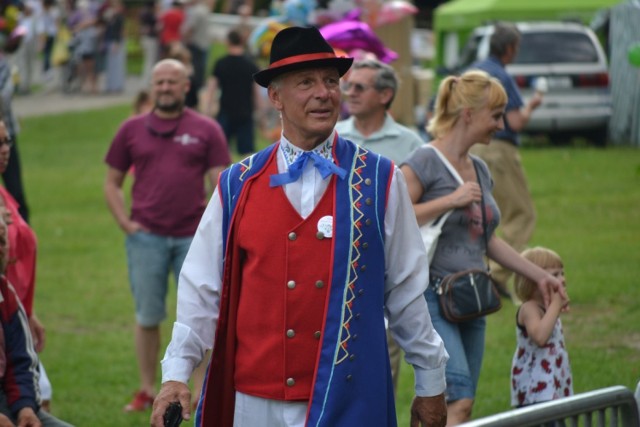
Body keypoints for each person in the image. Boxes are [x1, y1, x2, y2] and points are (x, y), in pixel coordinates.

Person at [150, 26, 449, 427]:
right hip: (253, 401)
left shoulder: (380, 180)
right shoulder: (237, 185)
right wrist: (175, 374)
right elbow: (200, 291)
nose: (324, 93)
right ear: (275, 97)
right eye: (306, 82)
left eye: (330, 81)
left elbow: (407, 291)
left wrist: (431, 384)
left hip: (349, 398)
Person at [400, 70, 565, 425]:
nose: (501, 124)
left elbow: (487, 239)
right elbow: (395, 220)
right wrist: (449, 200)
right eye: (495, 115)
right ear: (468, 114)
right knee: (460, 400)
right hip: (432, 296)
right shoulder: (424, 161)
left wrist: (541, 276)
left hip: (473, 296)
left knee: (451, 404)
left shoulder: (480, 168)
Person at [103, 58, 231, 413]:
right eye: (159, 82)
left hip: (194, 239)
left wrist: (214, 230)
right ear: (152, 86)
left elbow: (221, 185)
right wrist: (125, 224)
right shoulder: (131, 129)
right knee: (148, 315)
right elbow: (112, 183)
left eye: (172, 83)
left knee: (203, 316)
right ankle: (147, 389)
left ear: (186, 86)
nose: (164, 89)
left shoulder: (207, 129)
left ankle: (201, 393)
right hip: (146, 237)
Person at [335, 57, 424, 394]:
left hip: (386, 269)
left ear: (385, 95)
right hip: (337, 264)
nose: (349, 93)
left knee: (380, 368)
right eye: (348, 86)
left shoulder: (410, 143)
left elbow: (417, 212)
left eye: (360, 87)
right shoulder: (332, 135)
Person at [468, 22, 544, 297]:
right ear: (510, 49)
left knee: (483, 215)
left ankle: (479, 271)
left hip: (468, 150)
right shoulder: (500, 76)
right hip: (497, 149)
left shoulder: (472, 71)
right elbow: (514, 121)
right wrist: (532, 105)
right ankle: (493, 274)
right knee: (521, 214)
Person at [0, 182, 74, 427]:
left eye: (3, 240)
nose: (3, 251)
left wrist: (25, 409)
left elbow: (21, 363)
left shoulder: (6, 295)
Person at [511, 246, 572, 407]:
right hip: (535, 391)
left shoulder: (547, 308)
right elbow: (539, 336)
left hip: (553, 384)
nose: (562, 279)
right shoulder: (529, 309)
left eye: (562, 273)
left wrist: (554, 307)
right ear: (531, 281)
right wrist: (556, 305)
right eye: (555, 275)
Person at [204, 28, 260, 155]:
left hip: (225, 111)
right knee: (247, 155)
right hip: (245, 112)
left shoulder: (221, 63)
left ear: (227, 42)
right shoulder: (250, 64)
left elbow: (211, 89)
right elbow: (256, 92)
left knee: (219, 151)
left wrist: (207, 110)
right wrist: (261, 114)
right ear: (242, 42)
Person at [181, 0, 210, 109]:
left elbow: (189, 29)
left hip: (195, 46)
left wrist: (183, 40)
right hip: (203, 46)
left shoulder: (196, 12)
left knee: (193, 76)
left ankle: (192, 103)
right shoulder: (204, 9)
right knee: (199, 75)